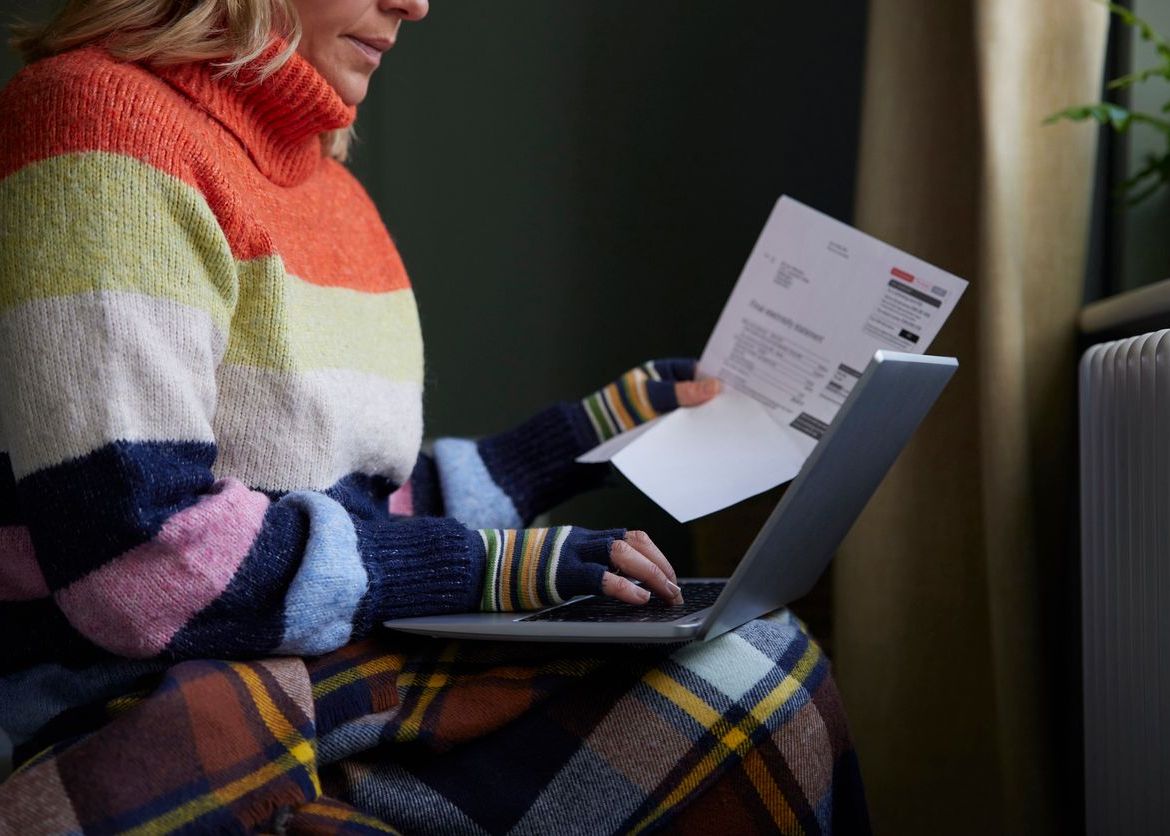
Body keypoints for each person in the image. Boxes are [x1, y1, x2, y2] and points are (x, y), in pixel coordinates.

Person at [0, 1, 869, 832]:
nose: (414, 4)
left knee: (766, 660)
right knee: (745, 694)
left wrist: (595, 432)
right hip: (126, 688)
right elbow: (146, 557)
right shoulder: (93, 123)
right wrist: (493, 569)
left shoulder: (336, 197)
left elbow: (358, 516)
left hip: (307, 655)